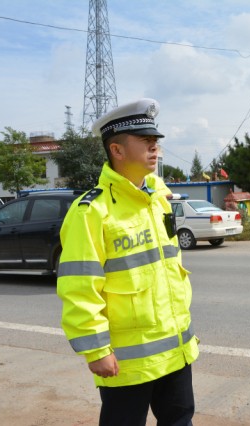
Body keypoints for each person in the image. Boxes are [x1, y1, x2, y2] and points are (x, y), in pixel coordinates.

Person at [57, 98, 198, 426]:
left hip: (174, 352)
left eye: (155, 142)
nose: (155, 149)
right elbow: (80, 288)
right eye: (145, 142)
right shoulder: (91, 212)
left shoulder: (157, 201)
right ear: (117, 151)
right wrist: (96, 350)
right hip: (125, 362)